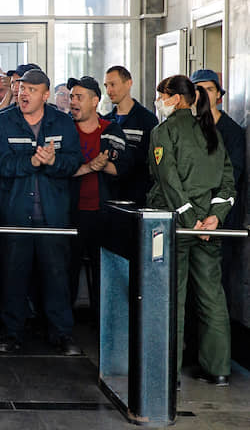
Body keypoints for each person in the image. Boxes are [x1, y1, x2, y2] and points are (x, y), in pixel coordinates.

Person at [147, 75, 235, 386]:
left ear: (175, 98)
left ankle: (167, 369)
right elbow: (227, 181)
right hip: (208, 229)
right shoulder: (210, 130)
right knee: (211, 295)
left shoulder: (163, 132)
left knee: (172, 295)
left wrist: (189, 220)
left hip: (175, 226)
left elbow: (168, 180)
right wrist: (214, 218)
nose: (159, 102)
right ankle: (218, 367)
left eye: (162, 96)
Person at [0, 68, 83, 355]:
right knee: (13, 275)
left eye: (31, 89)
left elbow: (73, 163)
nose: (24, 93)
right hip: (16, 213)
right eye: (21, 88)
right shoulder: (1, 122)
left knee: (56, 276)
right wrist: (31, 162)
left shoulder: (63, 122)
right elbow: (0, 165)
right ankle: (11, 333)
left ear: (46, 94)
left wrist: (53, 161)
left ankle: (61, 333)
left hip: (53, 215)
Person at [66, 76, 131, 310]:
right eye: (71, 96)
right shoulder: (64, 129)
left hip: (103, 214)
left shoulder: (111, 130)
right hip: (69, 213)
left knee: (103, 272)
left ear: (95, 101)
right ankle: (65, 333)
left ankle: (101, 330)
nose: (73, 101)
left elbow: (123, 169)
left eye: (79, 97)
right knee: (66, 272)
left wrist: (103, 165)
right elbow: (56, 169)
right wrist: (87, 167)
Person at [190, 69, 246, 306]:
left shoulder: (231, 132)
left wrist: (213, 214)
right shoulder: (187, 129)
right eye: (197, 89)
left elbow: (231, 176)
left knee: (216, 289)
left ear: (219, 96)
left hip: (221, 221)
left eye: (209, 89)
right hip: (191, 220)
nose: (203, 94)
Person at [102, 65, 158, 206]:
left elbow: (151, 161)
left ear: (128, 83)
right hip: (109, 196)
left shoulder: (147, 120)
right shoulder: (106, 121)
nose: (109, 90)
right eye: (106, 85)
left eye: (113, 84)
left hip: (137, 196)